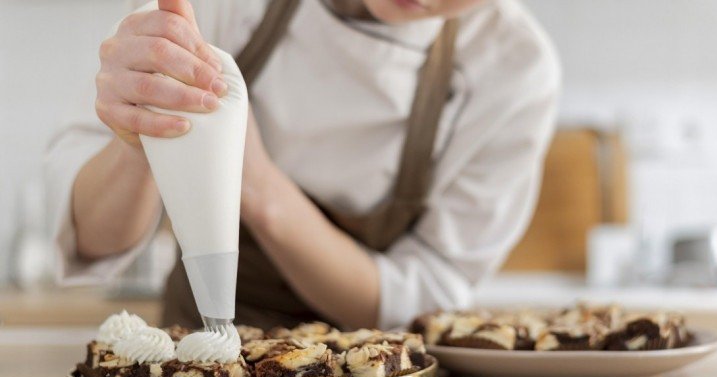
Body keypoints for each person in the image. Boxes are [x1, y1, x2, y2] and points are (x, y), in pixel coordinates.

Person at [46, 0, 560, 331]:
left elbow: (425, 301)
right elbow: (92, 239)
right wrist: (145, 135)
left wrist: (261, 191)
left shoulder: (513, 67)